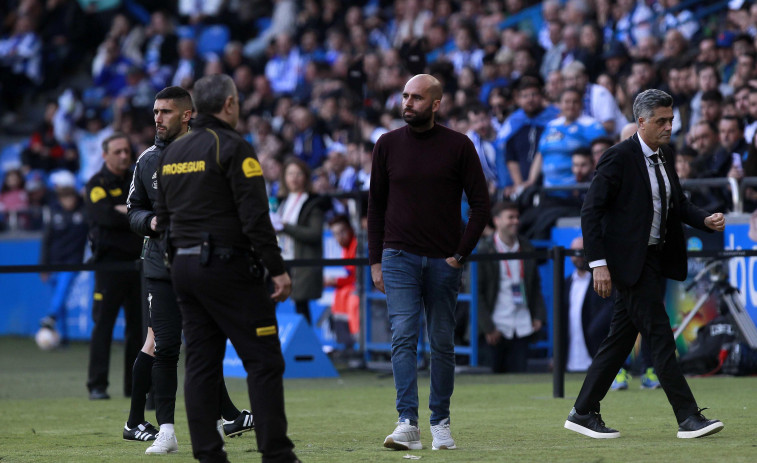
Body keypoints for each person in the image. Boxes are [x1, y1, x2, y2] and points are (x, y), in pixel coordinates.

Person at [564, 89, 726, 440]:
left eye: (671, 120)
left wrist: (704, 220)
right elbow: (590, 211)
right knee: (659, 335)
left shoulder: (665, 154)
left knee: (620, 341)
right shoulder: (617, 157)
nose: (669, 126)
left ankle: (582, 411)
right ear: (641, 122)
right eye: (661, 121)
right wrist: (598, 264)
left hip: (652, 259)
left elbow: (678, 203)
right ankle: (688, 417)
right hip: (626, 264)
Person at [154, 74, 299, 463]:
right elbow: (255, 220)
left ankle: (209, 456)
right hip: (227, 266)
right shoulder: (232, 147)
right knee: (264, 360)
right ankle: (278, 454)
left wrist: (176, 263)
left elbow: (163, 221)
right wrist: (278, 269)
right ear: (230, 104)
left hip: (183, 268)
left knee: (201, 365)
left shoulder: (171, 153)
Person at [124, 86, 253, 451]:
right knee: (165, 346)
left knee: (204, 346)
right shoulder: (147, 159)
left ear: (186, 115)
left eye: (165, 112)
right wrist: (149, 222)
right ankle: (166, 430)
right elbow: (132, 209)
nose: (157, 119)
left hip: (202, 264)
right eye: (155, 112)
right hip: (159, 268)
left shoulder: (211, 151)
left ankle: (217, 419)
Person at [367, 74, 489, 451]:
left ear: (436, 104)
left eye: (416, 98)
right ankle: (407, 422)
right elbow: (375, 208)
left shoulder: (459, 145)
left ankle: (440, 423)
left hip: (443, 260)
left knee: (441, 343)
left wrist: (459, 255)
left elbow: (481, 205)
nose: (407, 103)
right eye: (404, 96)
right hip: (398, 256)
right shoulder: (386, 145)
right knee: (403, 337)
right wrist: (375, 261)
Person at [84, 132, 143, 400]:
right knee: (103, 324)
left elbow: (149, 212)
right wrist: (133, 213)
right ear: (105, 154)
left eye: (126, 151)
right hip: (109, 266)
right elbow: (104, 216)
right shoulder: (96, 183)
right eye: (117, 151)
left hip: (138, 264)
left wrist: (123, 211)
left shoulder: (137, 178)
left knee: (138, 328)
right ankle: (97, 385)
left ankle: (135, 386)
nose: (123, 156)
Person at [477, 201, 546, 373]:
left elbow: (535, 285)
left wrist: (538, 315)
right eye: (510, 217)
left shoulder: (527, 246)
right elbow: (476, 292)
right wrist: (487, 327)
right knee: (492, 383)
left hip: (522, 325)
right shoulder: (484, 249)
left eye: (517, 217)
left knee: (520, 381)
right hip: (496, 326)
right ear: (497, 220)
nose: (515, 221)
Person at [270, 157, 324, 325]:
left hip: (301, 262)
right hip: (283, 259)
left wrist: (286, 226)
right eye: (290, 173)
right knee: (270, 302)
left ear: (306, 177)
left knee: (301, 306)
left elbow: (314, 234)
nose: (294, 178)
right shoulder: (282, 201)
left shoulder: (313, 203)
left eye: (298, 174)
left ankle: (307, 348)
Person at [38, 170, 89, 344]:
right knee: (60, 301)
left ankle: (50, 317)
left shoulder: (83, 212)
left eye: (71, 197)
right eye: (65, 198)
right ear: (60, 199)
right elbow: (46, 241)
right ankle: (63, 337)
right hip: (54, 262)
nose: (69, 201)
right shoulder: (53, 214)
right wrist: (43, 266)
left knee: (62, 290)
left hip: (72, 262)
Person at [561, 236, 612, 373]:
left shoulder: (603, 282)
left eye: (582, 251)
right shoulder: (566, 283)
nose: (578, 256)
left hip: (596, 358)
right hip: (570, 362)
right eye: (574, 252)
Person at [325, 214, 359, 352]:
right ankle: (346, 344)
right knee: (339, 294)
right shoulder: (346, 248)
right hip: (351, 287)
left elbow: (359, 277)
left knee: (351, 298)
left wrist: (335, 281)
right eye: (335, 234)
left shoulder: (358, 245)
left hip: (366, 289)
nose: (339, 237)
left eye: (342, 232)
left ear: (350, 229)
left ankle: (359, 344)